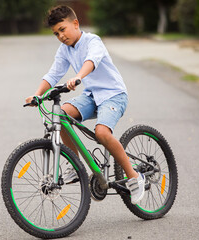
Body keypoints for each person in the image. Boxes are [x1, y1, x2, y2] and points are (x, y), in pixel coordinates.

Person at [25, 5, 145, 204]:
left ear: (75, 23)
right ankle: (77, 165)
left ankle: (134, 177)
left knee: (102, 134)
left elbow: (92, 60)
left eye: (62, 30)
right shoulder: (64, 50)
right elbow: (53, 73)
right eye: (56, 34)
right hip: (92, 96)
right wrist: (36, 95)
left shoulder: (92, 41)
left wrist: (78, 77)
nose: (61, 36)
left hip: (113, 95)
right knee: (60, 115)